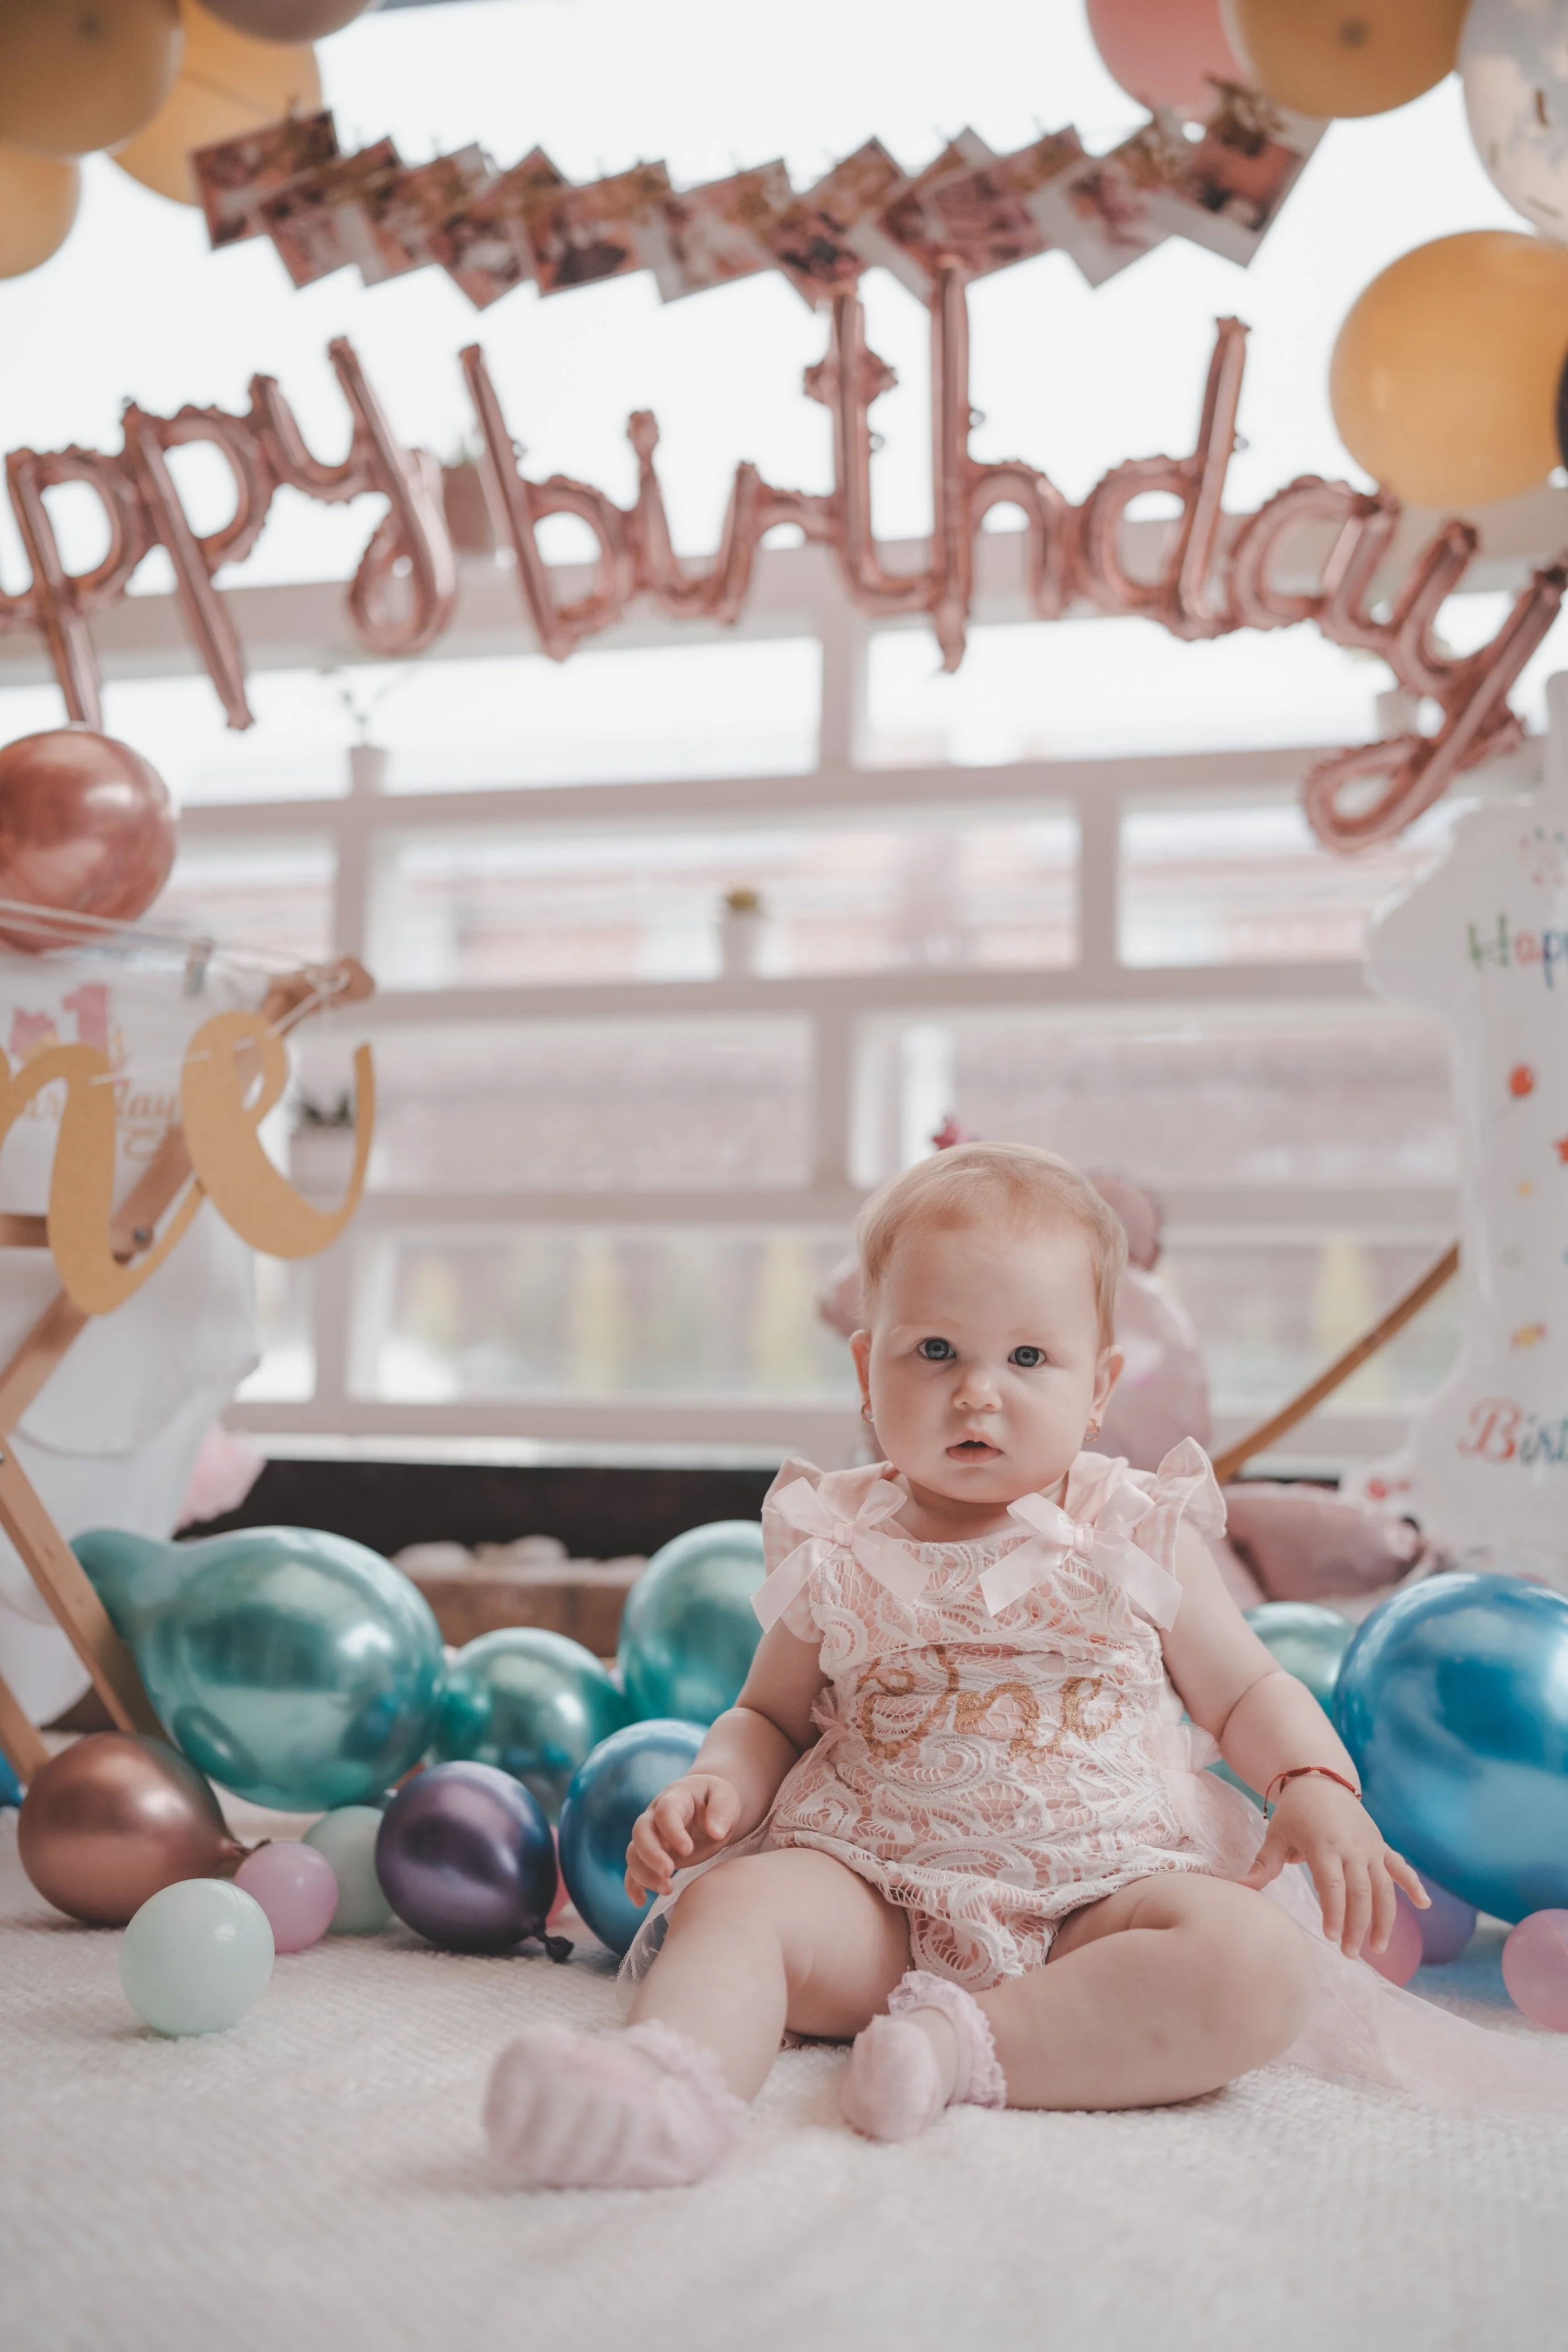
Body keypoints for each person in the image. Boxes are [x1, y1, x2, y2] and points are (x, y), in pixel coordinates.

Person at [483, 1142, 1557, 2191]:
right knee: (737, 1911)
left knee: (1255, 1964)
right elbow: (768, 1715)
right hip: (875, 1891)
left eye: (1028, 1358)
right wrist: (718, 1779)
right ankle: (667, 2089)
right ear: (868, 1366)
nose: (978, 1394)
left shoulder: (1134, 1526)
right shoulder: (840, 1539)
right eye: (935, 1351)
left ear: (1100, 1386)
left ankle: (968, 2046)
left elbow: (1247, 1688)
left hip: (1102, 1895)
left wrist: (1315, 1784)